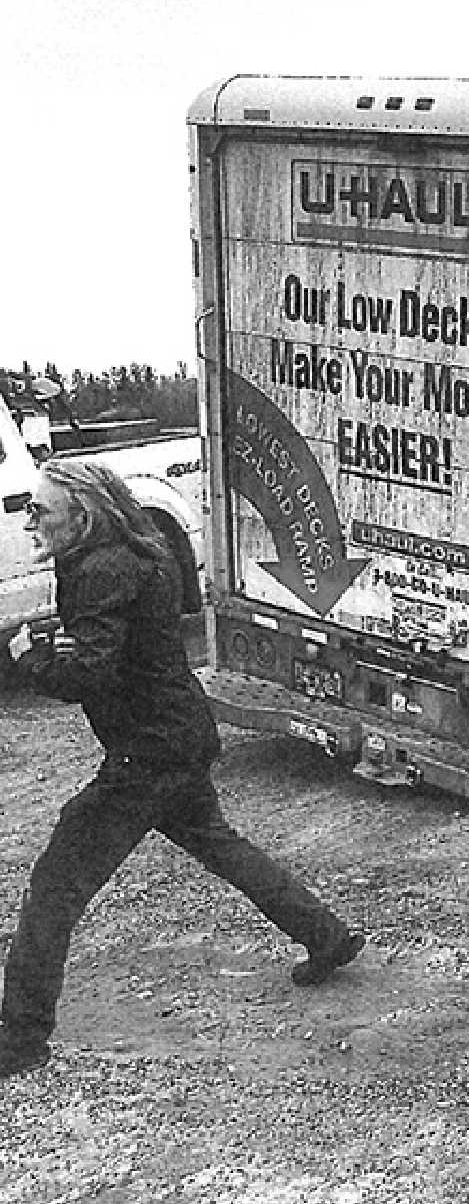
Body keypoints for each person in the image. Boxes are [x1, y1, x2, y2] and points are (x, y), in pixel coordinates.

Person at [0, 461, 364, 1079]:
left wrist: (26, 661)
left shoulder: (98, 570)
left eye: (41, 510)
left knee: (56, 884)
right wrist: (71, 645)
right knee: (219, 845)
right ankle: (325, 935)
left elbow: (92, 673)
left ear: (82, 518)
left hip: (149, 753)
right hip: (179, 736)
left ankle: (20, 1038)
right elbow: (120, 649)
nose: (29, 519)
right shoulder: (133, 553)